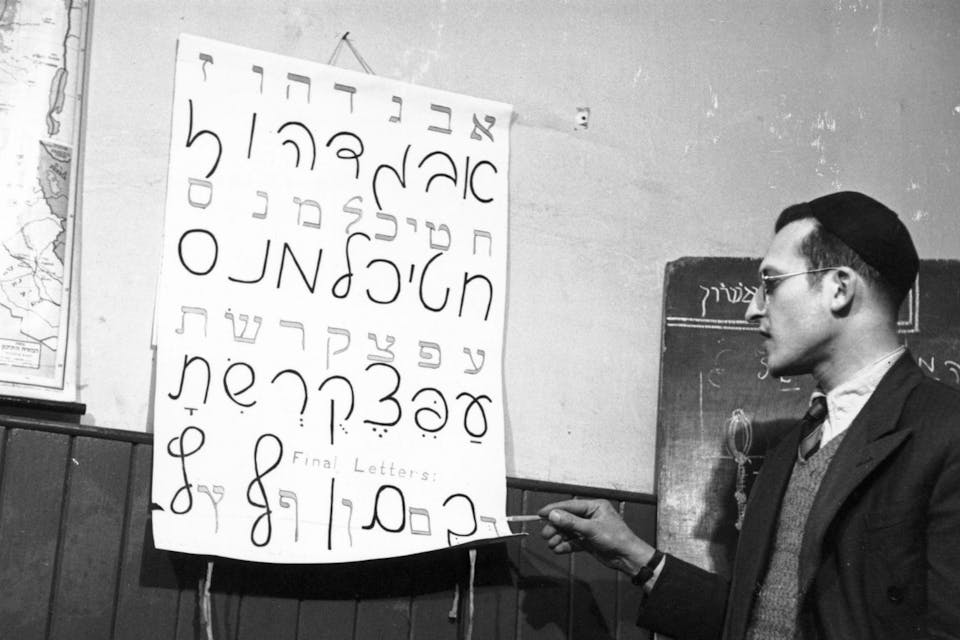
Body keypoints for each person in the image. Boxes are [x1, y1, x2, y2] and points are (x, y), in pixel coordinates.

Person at [539, 191, 960, 639]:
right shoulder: (789, 453)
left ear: (839, 288)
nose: (752, 308)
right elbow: (757, 624)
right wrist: (631, 554)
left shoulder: (946, 432)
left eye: (772, 283)